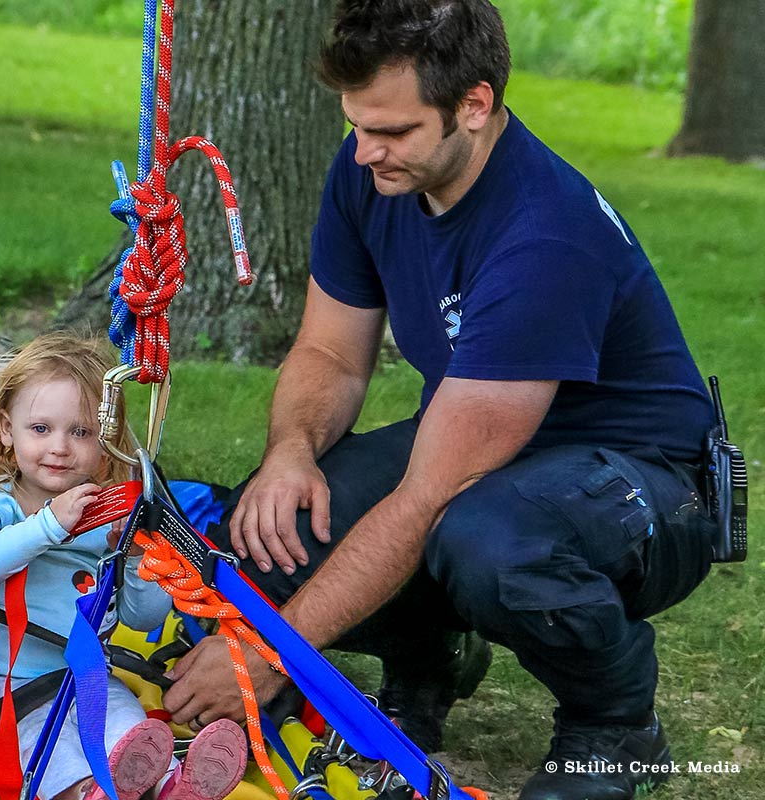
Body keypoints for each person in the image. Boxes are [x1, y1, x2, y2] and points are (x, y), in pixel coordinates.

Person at [160, 3, 718, 799]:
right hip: (482, 450)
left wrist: (267, 655)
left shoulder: (545, 235)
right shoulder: (370, 171)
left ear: (476, 106)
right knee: (271, 527)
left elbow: (428, 498)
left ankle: (616, 725)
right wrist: (289, 453)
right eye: (356, 125)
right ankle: (429, 657)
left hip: (645, 484)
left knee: (485, 541)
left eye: (391, 131)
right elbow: (328, 353)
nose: (364, 151)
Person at [0, 333, 248, 800]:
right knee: (56, 759)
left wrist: (134, 557)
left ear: (106, 444)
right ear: (7, 430)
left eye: (81, 432)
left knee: (135, 741)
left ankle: (174, 787)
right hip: (11, 693)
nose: (61, 448)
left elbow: (142, 618)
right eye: (41, 429)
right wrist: (48, 525)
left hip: (90, 678)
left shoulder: (106, 513)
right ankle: (90, 793)